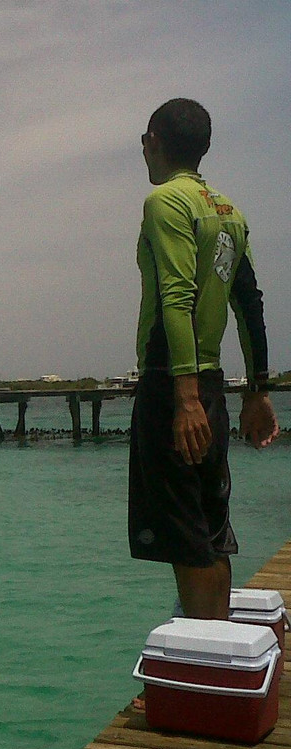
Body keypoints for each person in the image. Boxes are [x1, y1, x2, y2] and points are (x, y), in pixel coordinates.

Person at [129, 98, 279, 621]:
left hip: (174, 387)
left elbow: (176, 296)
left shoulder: (165, 203)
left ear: (155, 140)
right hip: (210, 385)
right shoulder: (227, 212)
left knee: (188, 542)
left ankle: (205, 670)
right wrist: (259, 390)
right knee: (211, 533)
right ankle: (215, 646)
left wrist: (183, 398)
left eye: (144, 141)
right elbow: (249, 303)